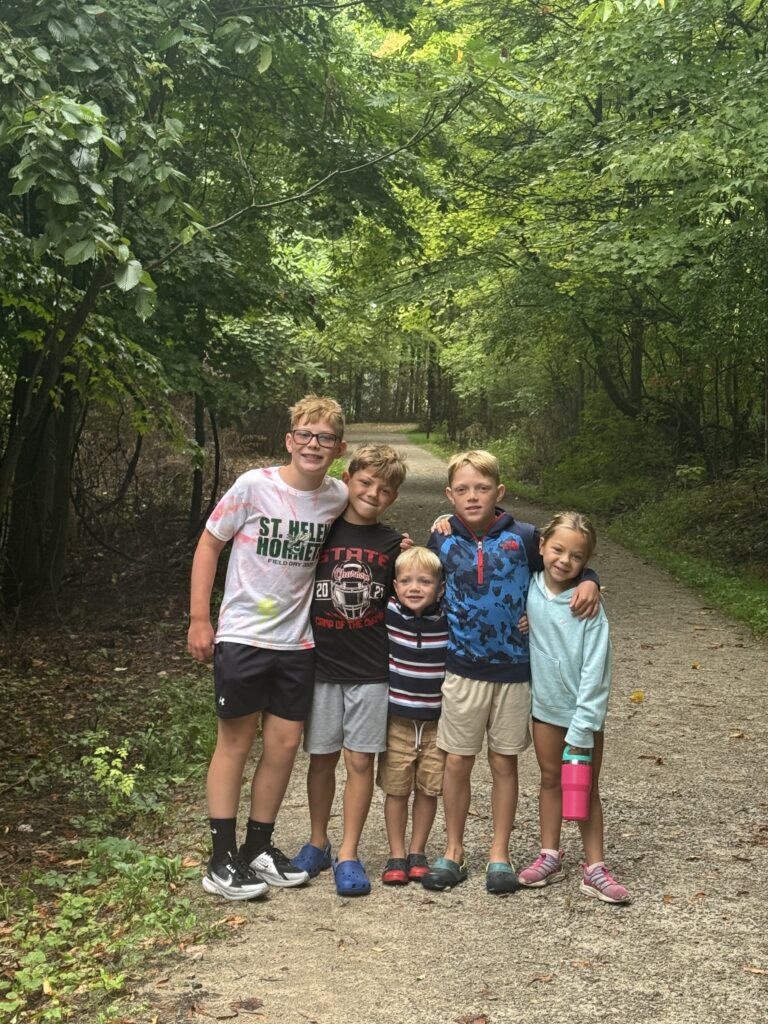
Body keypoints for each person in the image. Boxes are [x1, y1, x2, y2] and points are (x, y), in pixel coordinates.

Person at [187, 394, 348, 901]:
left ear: (338, 448)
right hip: (242, 636)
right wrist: (198, 618)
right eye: (305, 433)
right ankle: (220, 860)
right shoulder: (254, 486)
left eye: (324, 437)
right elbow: (210, 543)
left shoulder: (336, 496)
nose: (313, 444)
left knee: (281, 749)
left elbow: (368, 515)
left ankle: (258, 847)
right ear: (289, 439)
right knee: (234, 743)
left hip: (297, 644)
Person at [422, 450, 601, 895]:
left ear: (499, 492)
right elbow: (415, 577)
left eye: (482, 488)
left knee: (504, 762)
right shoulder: (440, 538)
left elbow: (562, 562)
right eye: (462, 489)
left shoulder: (522, 538)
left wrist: (591, 578)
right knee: (458, 761)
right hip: (462, 670)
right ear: (449, 495)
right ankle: (454, 850)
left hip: (515, 674)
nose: (472, 496)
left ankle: (499, 853)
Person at [291, 443, 408, 897]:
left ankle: (348, 852)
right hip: (320, 666)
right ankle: (317, 841)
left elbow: (426, 586)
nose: (373, 493)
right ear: (347, 478)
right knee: (321, 758)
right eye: (365, 483)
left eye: (384, 489)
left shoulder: (394, 545)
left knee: (360, 761)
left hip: (371, 670)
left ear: (393, 497)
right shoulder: (320, 530)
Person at [517, 512, 630, 903]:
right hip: (545, 710)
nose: (565, 560)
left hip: (581, 714)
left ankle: (595, 867)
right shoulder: (528, 587)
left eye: (577, 557)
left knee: (584, 786)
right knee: (551, 780)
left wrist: (584, 724)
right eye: (558, 550)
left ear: (586, 562)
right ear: (542, 547)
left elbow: (596, 670)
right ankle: (549, 855)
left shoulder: (587, 605)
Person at [377, 546, 449, 885]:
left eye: (424, 581)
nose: (414, 588)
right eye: (405, 581)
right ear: (394, 586)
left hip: (437, 722)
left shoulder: (449, 616)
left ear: (440, 587)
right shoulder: (388, 612)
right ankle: (396, 853)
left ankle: (417, 851)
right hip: (398, 720)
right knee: (396, 789)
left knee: (428, 789)